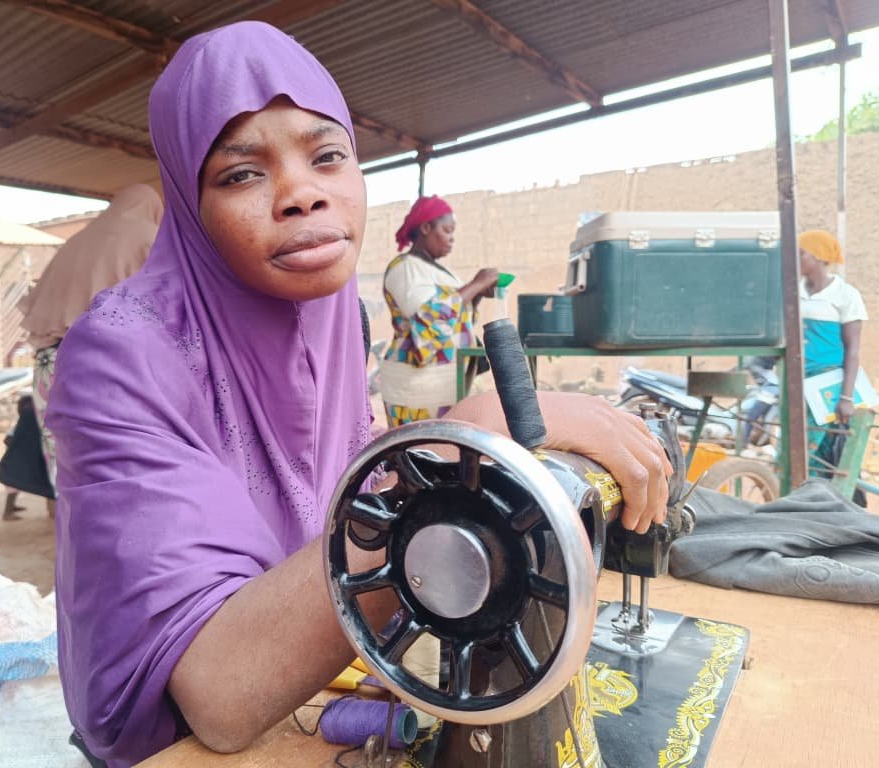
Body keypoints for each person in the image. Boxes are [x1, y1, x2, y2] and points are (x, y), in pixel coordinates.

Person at [44, 21, 671, 767]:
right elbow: (216, 694)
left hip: (312, 661)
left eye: (328, 156)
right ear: (190, 203)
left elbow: (348, 490)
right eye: (242, 174)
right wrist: (453, 450)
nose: (303, 194)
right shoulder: (120, 352)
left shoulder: (336, 310)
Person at [18, 183, 163, 493]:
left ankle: (70, 522)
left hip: (51, 363)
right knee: (121, 460)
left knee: (65, 456)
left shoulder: (76, 242)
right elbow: (168, 307)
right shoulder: (146, 237)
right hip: (108, 362)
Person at [378, 195, 500, 427]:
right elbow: (430, 317)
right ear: (425, 228)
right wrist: (475, 285)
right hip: (417, 387)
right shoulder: (405, 268)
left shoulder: (440, 272)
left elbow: (456, 318)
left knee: (441, 452)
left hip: (444, 383)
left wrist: (476, 296)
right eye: (447, 230)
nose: (452, 238)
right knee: (418, 453)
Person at [798, 229, 867, 477]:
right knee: (792, 448)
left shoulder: (845, 295)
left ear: (817, 257)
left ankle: (810, 504)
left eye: (801, 254)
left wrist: (846, 398)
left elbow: (853, 350)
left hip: (825, 385)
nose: (795, 259)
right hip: (795, 382)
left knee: (812, 453)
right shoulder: (794, 292)